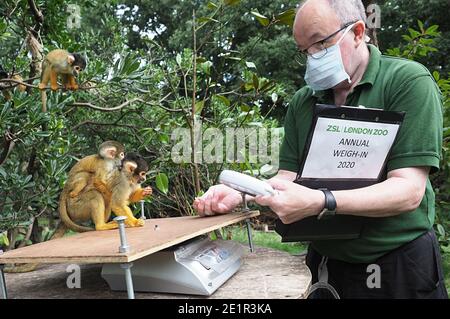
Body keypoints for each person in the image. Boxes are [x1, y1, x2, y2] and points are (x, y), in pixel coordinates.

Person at [193, 0, 447, 299]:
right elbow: (289, 177)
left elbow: (408, 191)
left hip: (397, 265)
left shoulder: (407, 82)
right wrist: (242, 193)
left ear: (357, 32)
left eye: (320, 43)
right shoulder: (304, 101)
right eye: (305, 50)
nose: (313, 56)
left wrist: (321, 201)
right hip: (324, 263)